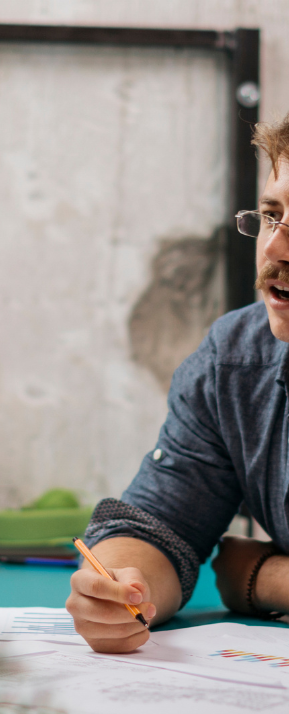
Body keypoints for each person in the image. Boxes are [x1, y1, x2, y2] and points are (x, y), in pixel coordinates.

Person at [67, 111, 289, 653]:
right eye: (271, 215)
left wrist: (261, 578)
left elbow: (244, 574)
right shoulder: (237, 362)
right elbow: (162, 525)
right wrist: (120, 588)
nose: (274, 250)